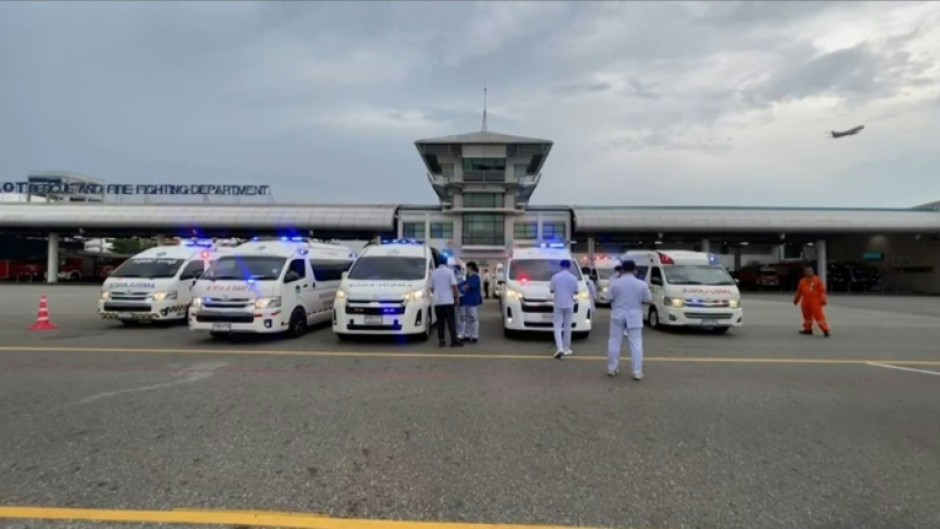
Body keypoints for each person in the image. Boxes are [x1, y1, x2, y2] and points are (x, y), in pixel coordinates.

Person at [606, 260, 652, 380]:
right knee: (636, 344)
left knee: (614, 342)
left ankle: (612, 368)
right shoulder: (641, 284)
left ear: (622, 270)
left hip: (617, 314)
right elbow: (648, 299)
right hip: (634, 315)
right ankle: (637, 372)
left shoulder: (614, 283)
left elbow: (607, 298)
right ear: (634, 270)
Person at [549, 259, 579, 359]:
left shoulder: (555, 277)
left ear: (560, 266)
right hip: (569, 304)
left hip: (558, 303)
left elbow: (551, 289)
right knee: (567, 326)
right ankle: (566, 348)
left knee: (557, 326)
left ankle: (560, 348)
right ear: (569, 266)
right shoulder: (573, 278)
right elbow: (576, 291)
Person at [430, 259, 463, 347]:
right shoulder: (449, 272)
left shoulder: (433, 273)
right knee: (451, 322)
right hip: (448, 301)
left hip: (438, 302)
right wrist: (456, 297)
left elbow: (431, 288)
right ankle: (453, 341)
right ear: (446, 263)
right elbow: (454, 286)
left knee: (440, 322)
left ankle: (441, 340)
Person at [794, 265, 830, 337]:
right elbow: (799, 291)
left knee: (818, 315)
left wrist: (823, 299)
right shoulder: (802, 281)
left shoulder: (817, 280)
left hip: (815, 300)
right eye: (807, 271)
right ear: (804, 272)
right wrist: (796, 299)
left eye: (810, 271)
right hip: (806, 300)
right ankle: (808, 329)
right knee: (806, 315)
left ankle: (825, 330)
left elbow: (822, 290)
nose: (809, 273)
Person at [459, 262, 483, 344]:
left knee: (473, 318)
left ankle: (474, 336)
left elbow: (467, 286)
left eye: (467, 268)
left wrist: (461, 289)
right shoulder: (469, 277)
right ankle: (468, 335)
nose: (467, 269)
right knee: (468, 319)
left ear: (470, 268)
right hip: (467, 300)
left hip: (472, 301)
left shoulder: (475, 277)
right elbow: (464, 283)